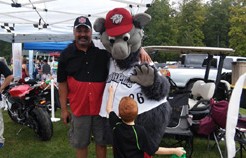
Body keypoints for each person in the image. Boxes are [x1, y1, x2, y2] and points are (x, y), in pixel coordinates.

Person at [57, 16, 151, 158]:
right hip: (79, 108)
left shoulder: (102, 50)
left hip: (101, 108)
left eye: (86, 31)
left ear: (91, 32)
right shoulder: (65, 55)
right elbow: (62, 83)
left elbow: (121, 44)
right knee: (81, 144)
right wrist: (64, 109)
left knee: (102, 142)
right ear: (74, 32)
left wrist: (140, 50)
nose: (83, 34)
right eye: (79, 31)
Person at [106, 85, 186, 158]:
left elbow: (109, 109)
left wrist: (111, 93)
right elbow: (154, 149)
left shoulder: (116, 125)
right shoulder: (139, 131)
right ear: (137, 113)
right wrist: (175, 150)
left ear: (119, 114)